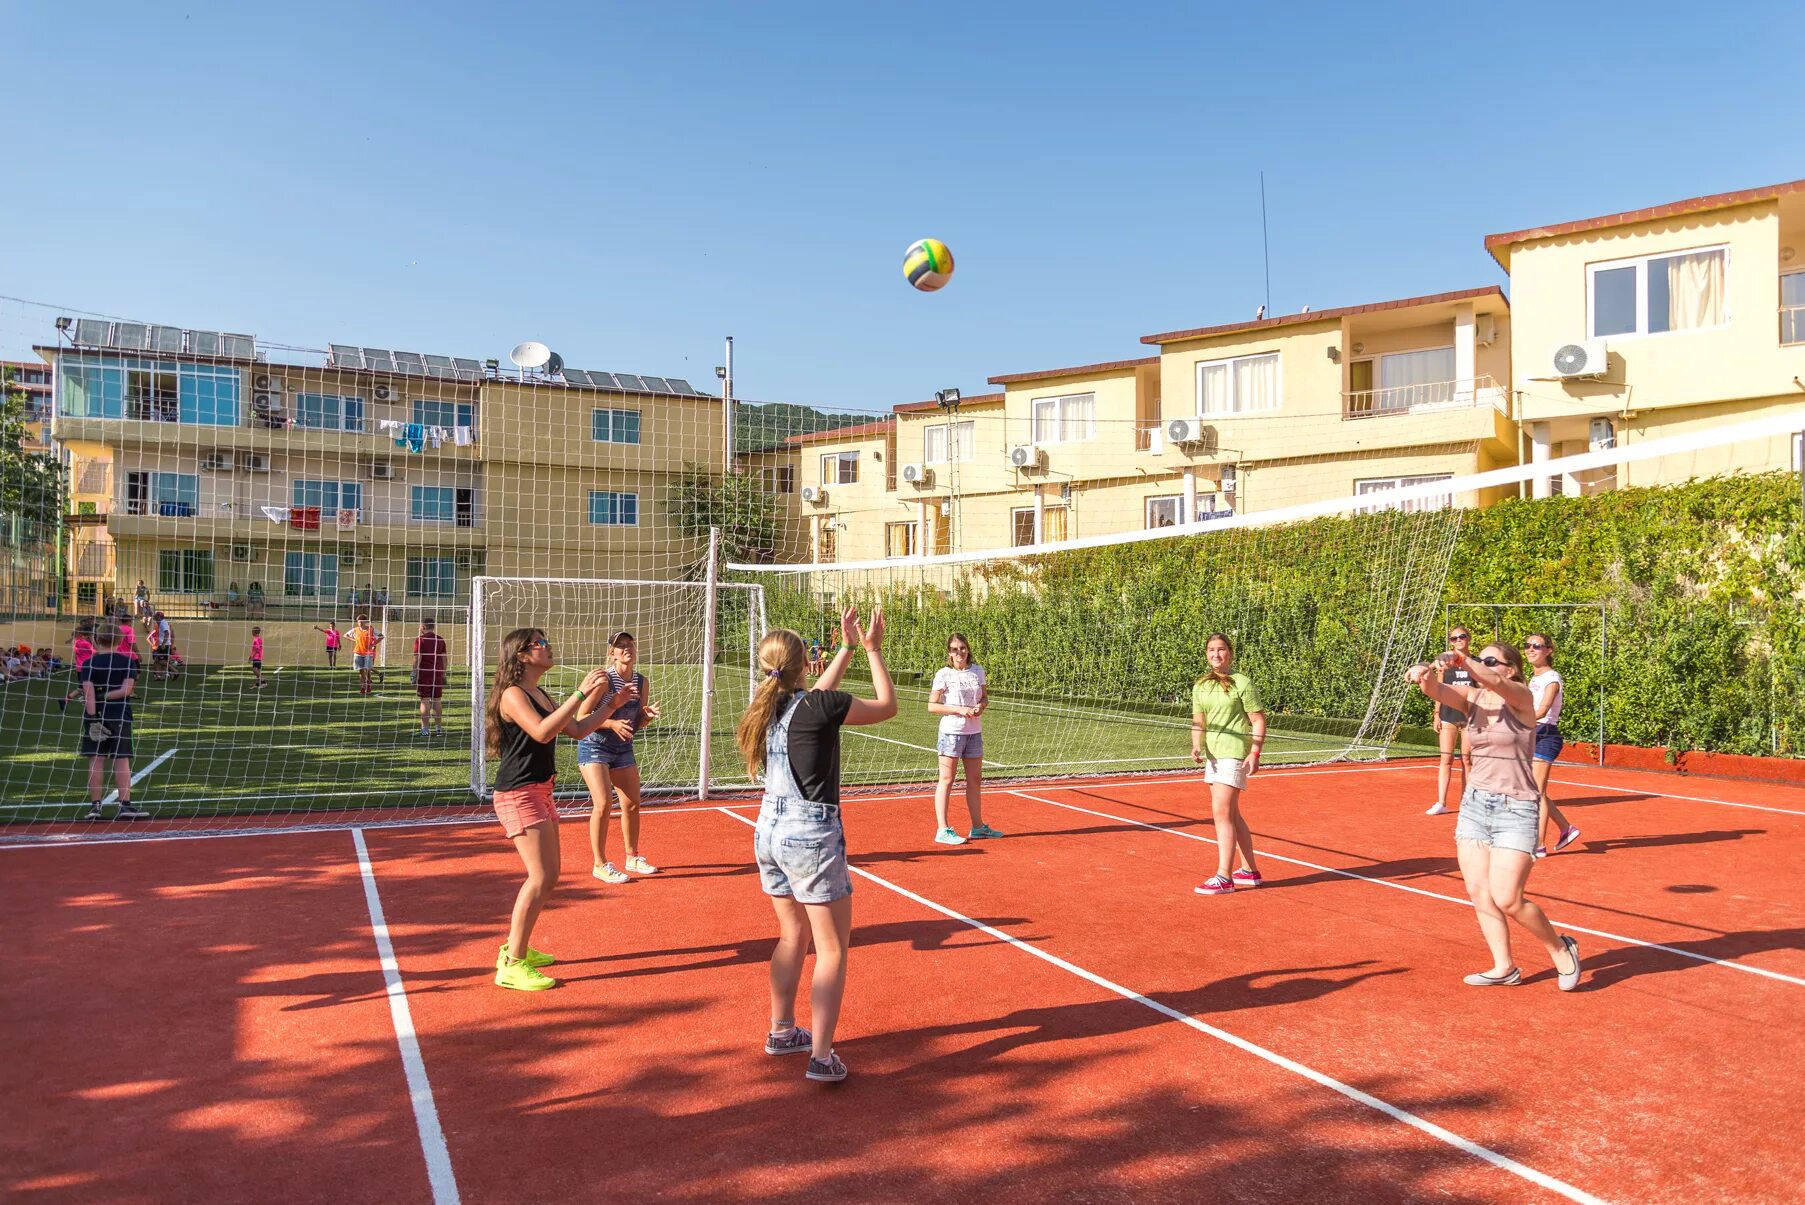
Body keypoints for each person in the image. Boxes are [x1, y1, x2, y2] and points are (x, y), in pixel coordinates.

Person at [735, 604, 896, 1085]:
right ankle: (822, 1057)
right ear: (805, 664)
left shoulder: (768, 707)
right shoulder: (818, 707)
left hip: (768, 828)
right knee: (832, 949)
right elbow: (887, 706)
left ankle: (782, 1031)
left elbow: (816, 696)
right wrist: (872, 650)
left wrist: (845, 647)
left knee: (792, 937)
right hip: (809, 833)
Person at [1405, 641, 1582, 991]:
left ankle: (1561, 949)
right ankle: (1504, 966)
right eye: (1480, 660)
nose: (1480, 665)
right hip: (1475, 807)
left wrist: (1465, 660)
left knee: (1508, 898)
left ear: (1510, 668)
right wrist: (1421, 673)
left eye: (1490, 660)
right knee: (1479, 893)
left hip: (1517, 808)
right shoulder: (1472, 699)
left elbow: (1496, 684)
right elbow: (1436, 689)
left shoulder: (1521, 697)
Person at [485, 628, 625, 991]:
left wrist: (609, 704)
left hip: (540, 789)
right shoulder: (513, 694)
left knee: (550, 875)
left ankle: (516, 948)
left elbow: (576, 728)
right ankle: (512, 964)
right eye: (540, 644)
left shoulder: (536, 692)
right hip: (518, 792)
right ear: (521, 656)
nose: (548, 647)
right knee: (541, 876)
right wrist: (580, 692)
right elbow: (543, 732)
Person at [578, 631, 664, 883]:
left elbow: (637, 723)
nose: (626, 649)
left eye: (630, 645)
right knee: (603, 804)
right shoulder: (604, 680)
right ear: (612, 653)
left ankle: (632, 857)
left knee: (632, 804)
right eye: (620, 646)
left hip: (623, 747)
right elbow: (581, 718)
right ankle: (599, 863)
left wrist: (646, 716)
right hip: (594, 745)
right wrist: (611, 724)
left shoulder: (641, 682)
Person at [1190, 632, 1266, 895]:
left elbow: (1257, 719)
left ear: (1229, 653)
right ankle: (1249, 871)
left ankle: (1224, 876)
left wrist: (1254, 753)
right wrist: (1197, 743)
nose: (1216, 654)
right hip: (1212, 755)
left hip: (1233, 754)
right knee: (1232, 814)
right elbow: (1198, 721)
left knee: (1221, 813)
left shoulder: (1242, 683)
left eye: (1221, 649)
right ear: (1206, 654)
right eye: (1211, 650)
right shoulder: (1201, 686)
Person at [927, 632, 1002, 845]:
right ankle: (942, 829)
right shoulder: (943, 674)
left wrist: (981, 706)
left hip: (974, 732)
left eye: (962, 648)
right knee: (947, 779)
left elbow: (985, 697)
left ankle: (978, 827)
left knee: (975, 780)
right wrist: (959, 710)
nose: (959, 652)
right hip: (951, 732)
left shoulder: (977, 671)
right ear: (949, 653)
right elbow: (932, 706)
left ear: (967, 649)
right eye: (954, 649)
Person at [81, 623, 149, 821]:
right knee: (121, 759)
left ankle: (95, 807)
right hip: (120, 715)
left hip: (96, 716)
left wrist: (93, 719)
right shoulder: (127, 662)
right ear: (120, 641)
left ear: (96, 639)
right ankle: (125, 804)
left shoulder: (88, 664)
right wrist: (108, 696)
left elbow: (88, 694)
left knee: (96, 759)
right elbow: (126, 691)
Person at [1525, 634, 1581, 857]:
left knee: (1536, 792)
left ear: (1548, 650)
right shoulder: (1534, 677)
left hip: (1545, 735)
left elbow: (1544, 709)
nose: (1531, 649)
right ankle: (1566, 828)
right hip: (1533, 733)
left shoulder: (1552, 678)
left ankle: (1538, 845)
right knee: (1533, 789)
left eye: (1536, 646)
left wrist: (1518, 722)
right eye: (1527, 645)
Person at [1426, 627, 1476, 816]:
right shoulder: (1444, 664)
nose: (1458, 640)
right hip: (1448, 715)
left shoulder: (1476, 663)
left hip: (1470, 716)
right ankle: (1441, 802)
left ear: (1468, 638)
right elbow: (1438, 690)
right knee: (1446, 759)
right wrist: (1437, 713)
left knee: (1467, 759)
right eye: (1454, 638)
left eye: (1461, 636)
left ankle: (1468, 802)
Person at [412, 618, 449, 737]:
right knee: (437, 700)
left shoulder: (420, 640)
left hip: (425, 673)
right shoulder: (440, 640)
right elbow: (444, 659)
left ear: (423, 627)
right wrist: (443, 673)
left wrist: (414, 673)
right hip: (437, 673)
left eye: (419, 626)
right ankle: (439, 729)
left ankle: (425, 729)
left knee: (425, 700)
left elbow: (418, 657)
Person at [60, 620, 96, 712]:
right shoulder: (86, 643)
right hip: (87, 668)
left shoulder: (77, 642)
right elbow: (97, 652)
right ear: (89, 635)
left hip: (80, 668)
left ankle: (67, 700)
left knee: (83, 687)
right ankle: (82, 701)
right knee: (85, 687)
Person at [351, 614, 382, 695]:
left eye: (361, 622)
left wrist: (373, 644)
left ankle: (368, 685)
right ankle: (362, 687)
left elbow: (381, 636)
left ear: (365, 622)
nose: (359, 623)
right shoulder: (355, 630)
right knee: (361, 672)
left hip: (368, 653)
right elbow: (345, 635)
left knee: (368, 670)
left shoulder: (371, 630)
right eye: (358, 622)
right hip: (358, 653)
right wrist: (354, 640)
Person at [150, 611, 174, 681]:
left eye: (156, 616)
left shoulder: (163, 624)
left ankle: (174, 671)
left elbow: (167, 634)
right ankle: (161, 676)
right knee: (160, 660)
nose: (154, 617)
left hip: (163, 645)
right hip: (164, 644)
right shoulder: (162, 623)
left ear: (159, 617)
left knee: (160, 660)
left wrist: (163, 643)